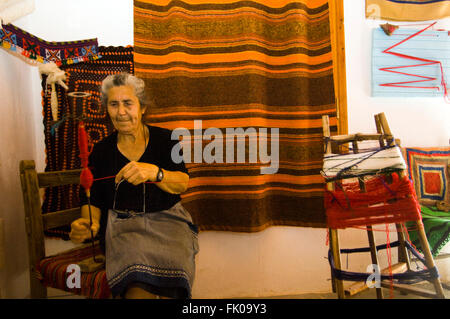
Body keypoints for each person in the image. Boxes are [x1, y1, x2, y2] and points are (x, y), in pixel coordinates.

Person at [69, 73, 198, 299]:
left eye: (128, 103)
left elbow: (182, 183)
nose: (121, 112)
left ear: (142, 107)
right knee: (138, 286)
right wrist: (88, 222)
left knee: (174, 285)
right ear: (106, 109)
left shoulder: (166, 140)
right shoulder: (101, 151)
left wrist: (155, 172)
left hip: (169, 223)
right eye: (113, 104)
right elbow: (92, 200)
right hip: (124, 227)